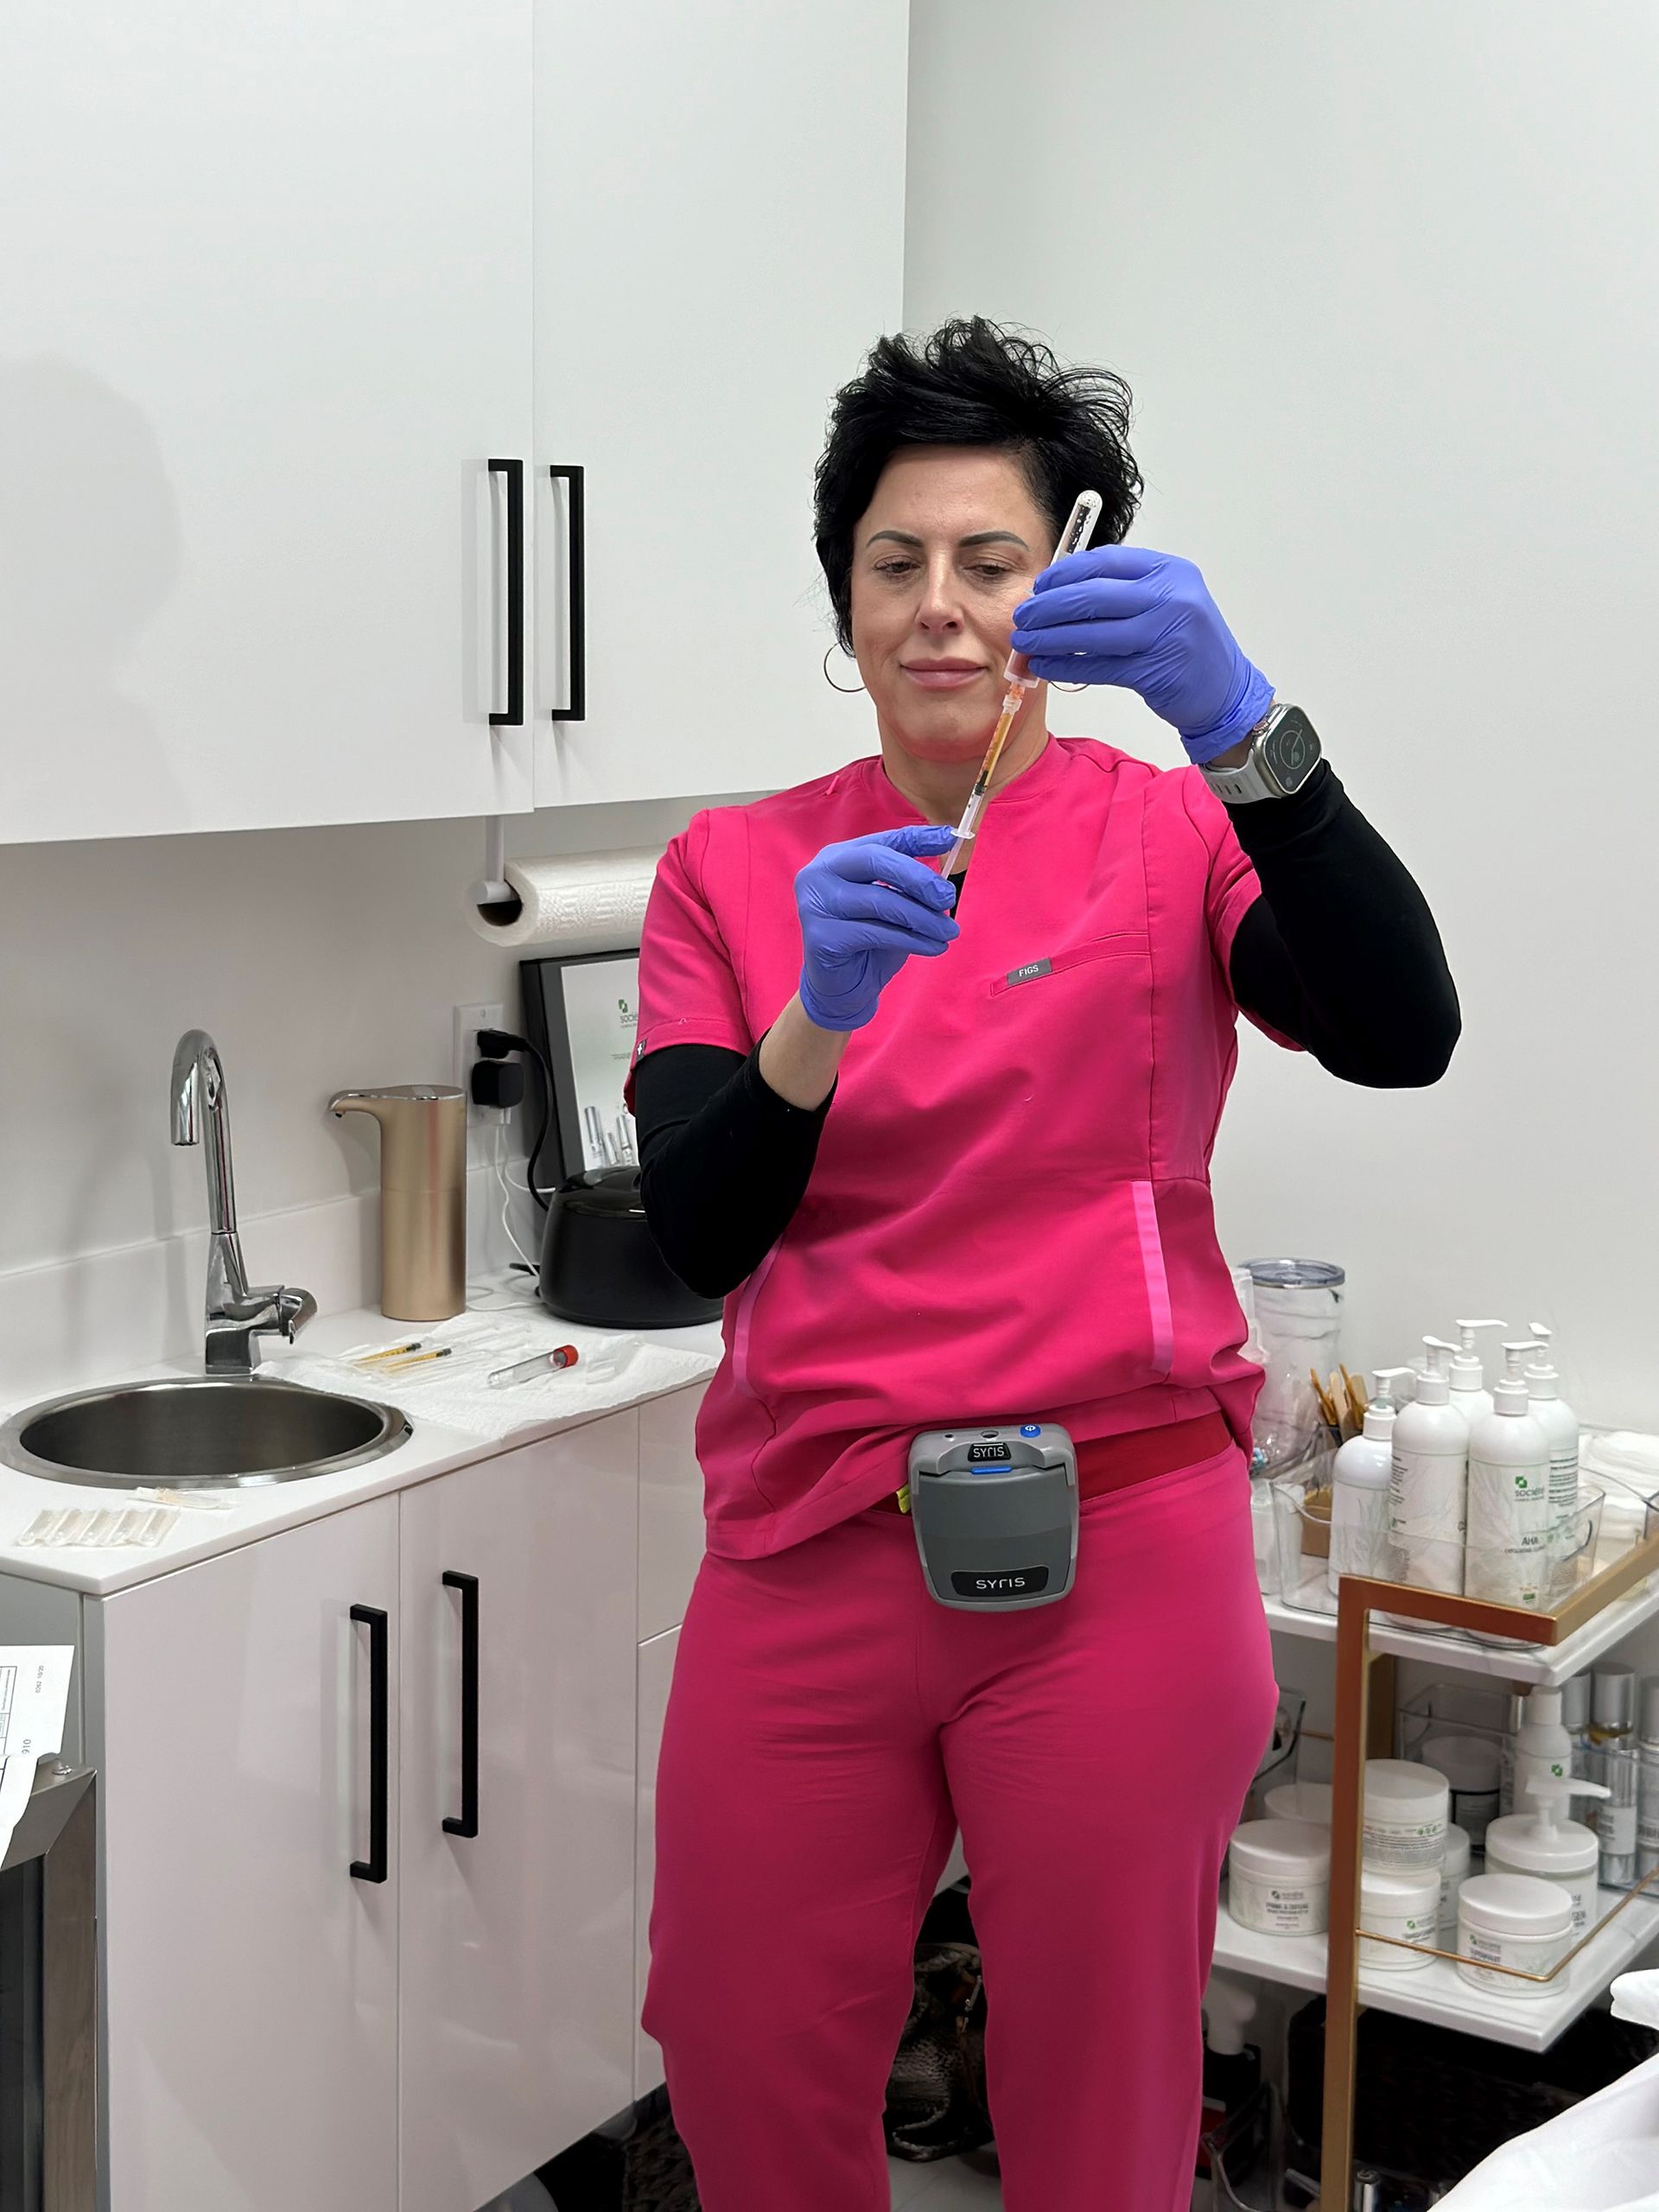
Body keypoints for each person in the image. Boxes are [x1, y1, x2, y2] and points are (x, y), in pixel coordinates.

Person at [626, 318, 1459, 2210]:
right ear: (840, 601)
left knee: (1098, 2115)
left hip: (1121, 1554)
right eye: (892, 563)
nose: (938, 607)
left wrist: (1251, 729)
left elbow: (1405, 1022)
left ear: (1064, 583)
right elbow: (696, 1229)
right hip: (808, 1543)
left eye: (989, 562)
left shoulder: (1177, 834)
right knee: (740, 2058)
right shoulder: (731, 871)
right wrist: (810, 1028)